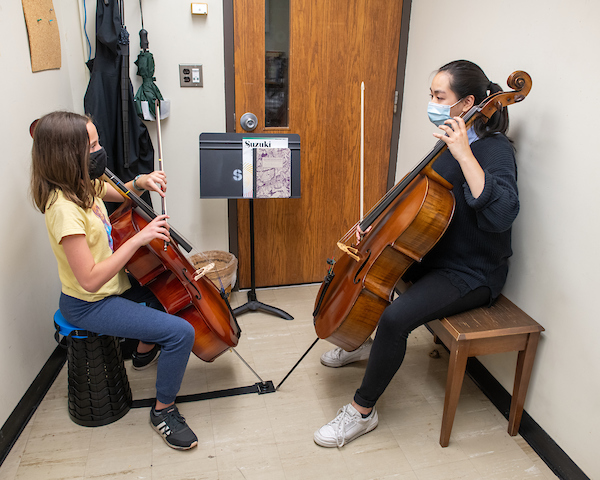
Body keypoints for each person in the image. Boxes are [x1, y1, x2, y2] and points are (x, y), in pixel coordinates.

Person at [314, 60, 520, 448]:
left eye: (440, 96)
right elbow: (420, 197)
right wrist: (378, 223)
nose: (433, 103)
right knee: (379, 274)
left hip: (471, 272)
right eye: (432, 96)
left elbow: (501, 215)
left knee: (395, 319)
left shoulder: (492, 150)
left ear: (468, 102)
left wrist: (463, 154)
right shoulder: (451, 137)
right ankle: (358, 340)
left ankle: (362, 412)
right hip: (435, 252)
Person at [30, 111, 198, 450]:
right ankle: (163, 411)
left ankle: (141, 351)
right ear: (68, 155)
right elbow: (90, 280)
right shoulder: (63, 211)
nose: (100, 149)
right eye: (92, 145)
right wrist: (138, 239)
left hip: (114, 287)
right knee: (181, 333)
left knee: (166, 289)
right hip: (89, 304)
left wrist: (140, 182)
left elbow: (112, 191)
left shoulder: (80, 185)